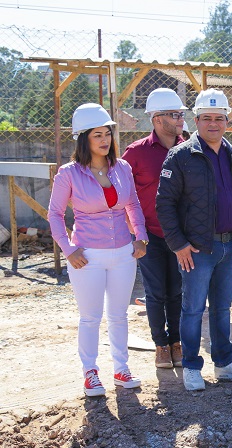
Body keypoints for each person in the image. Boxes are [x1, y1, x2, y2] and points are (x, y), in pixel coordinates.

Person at [156, 88, 232, 391]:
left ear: (227, 121)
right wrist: (179, 244)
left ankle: (224, 364)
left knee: (223, 309)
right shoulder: (181, 156)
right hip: (198, 249)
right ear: (196, 120)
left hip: (229, 245)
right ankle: (190, 366)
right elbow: (164, 204)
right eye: (207, 118)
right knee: (193, 309)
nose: (213, 123)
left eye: (219, 118)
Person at [48, 103, 146, 396]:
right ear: (83, 139)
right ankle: (90, 372)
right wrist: (68, 249)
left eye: (107, 134)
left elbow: (133, 204)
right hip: (87, 257)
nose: (105, 141)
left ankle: (121, 368)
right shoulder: (69, 173)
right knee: (90, 317)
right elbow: (54, 214)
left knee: (118, 315)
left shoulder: (122, 167)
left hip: (124, 255)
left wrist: (140, 236)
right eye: (97, 135)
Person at [122, 88, 187, 369]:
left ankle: (176, 342)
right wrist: (135, 234)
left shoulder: (190, 149)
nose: (181, 119)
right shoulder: (136, 153)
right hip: (148, 235)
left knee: (177, 291)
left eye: (182, 114)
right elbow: (123, 195)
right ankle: (161, 345)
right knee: (156, 292)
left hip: (181, 236)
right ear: (157, 119)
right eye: (175, 115)